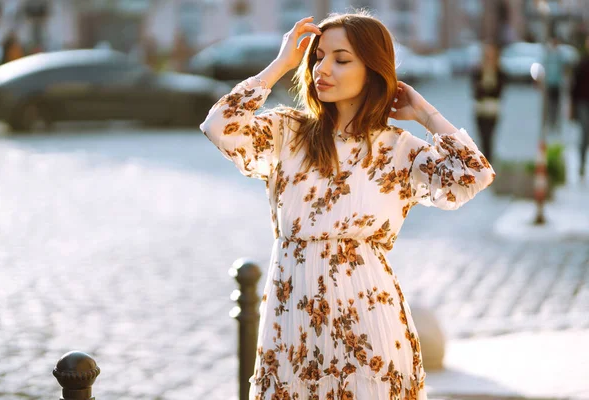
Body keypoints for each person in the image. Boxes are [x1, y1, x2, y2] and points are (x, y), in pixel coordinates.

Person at [200, 12, 495, 399]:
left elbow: (474, 175)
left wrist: (425, 113)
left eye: (341, 59)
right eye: (318, 57)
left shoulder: (397, 149)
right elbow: (220, 125)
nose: (323, 68)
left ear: (372, 70)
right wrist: (281, 63)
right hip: (292, 324)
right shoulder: (288, 134)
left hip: (369, 320)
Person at [471, 43, 506, 163]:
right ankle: (482, 162)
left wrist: (486, 88)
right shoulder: (478, 71)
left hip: (493, 109)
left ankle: (488, 162)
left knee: (490, 137)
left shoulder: (499, 72)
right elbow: (475, 92)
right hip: (480, 109)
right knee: (482, 137)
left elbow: (499, 92)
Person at [570, 35, 589, 178]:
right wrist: (572, 107)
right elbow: (574, 87)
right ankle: (581, 164)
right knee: (585, 133)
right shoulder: (582, 63)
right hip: (583, 102)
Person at [543, 36, 566, 135]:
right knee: (549, 104)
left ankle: (555, 122)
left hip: (557, 83)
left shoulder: (559, 55)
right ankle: (549, 122)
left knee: (556, 104)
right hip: (549, 82)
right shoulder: (548, 54)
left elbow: (563, 69)